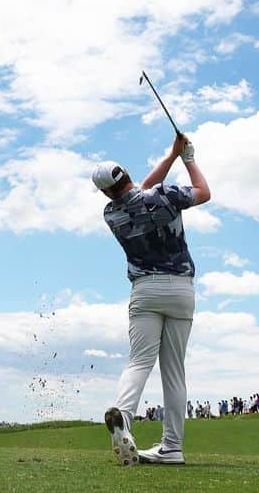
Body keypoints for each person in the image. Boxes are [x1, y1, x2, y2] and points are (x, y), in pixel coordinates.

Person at [96, 132, 211, 467]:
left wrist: (172, 154)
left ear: (105, 191)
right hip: (181, 290)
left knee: (139, 363)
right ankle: (172, 447)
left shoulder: (111, 214)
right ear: (127, 175)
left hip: (145, 291)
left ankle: (124, 418)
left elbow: (139, 192)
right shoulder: (165, 196)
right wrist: (187, 157)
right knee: (174, 372)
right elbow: (204, 192)